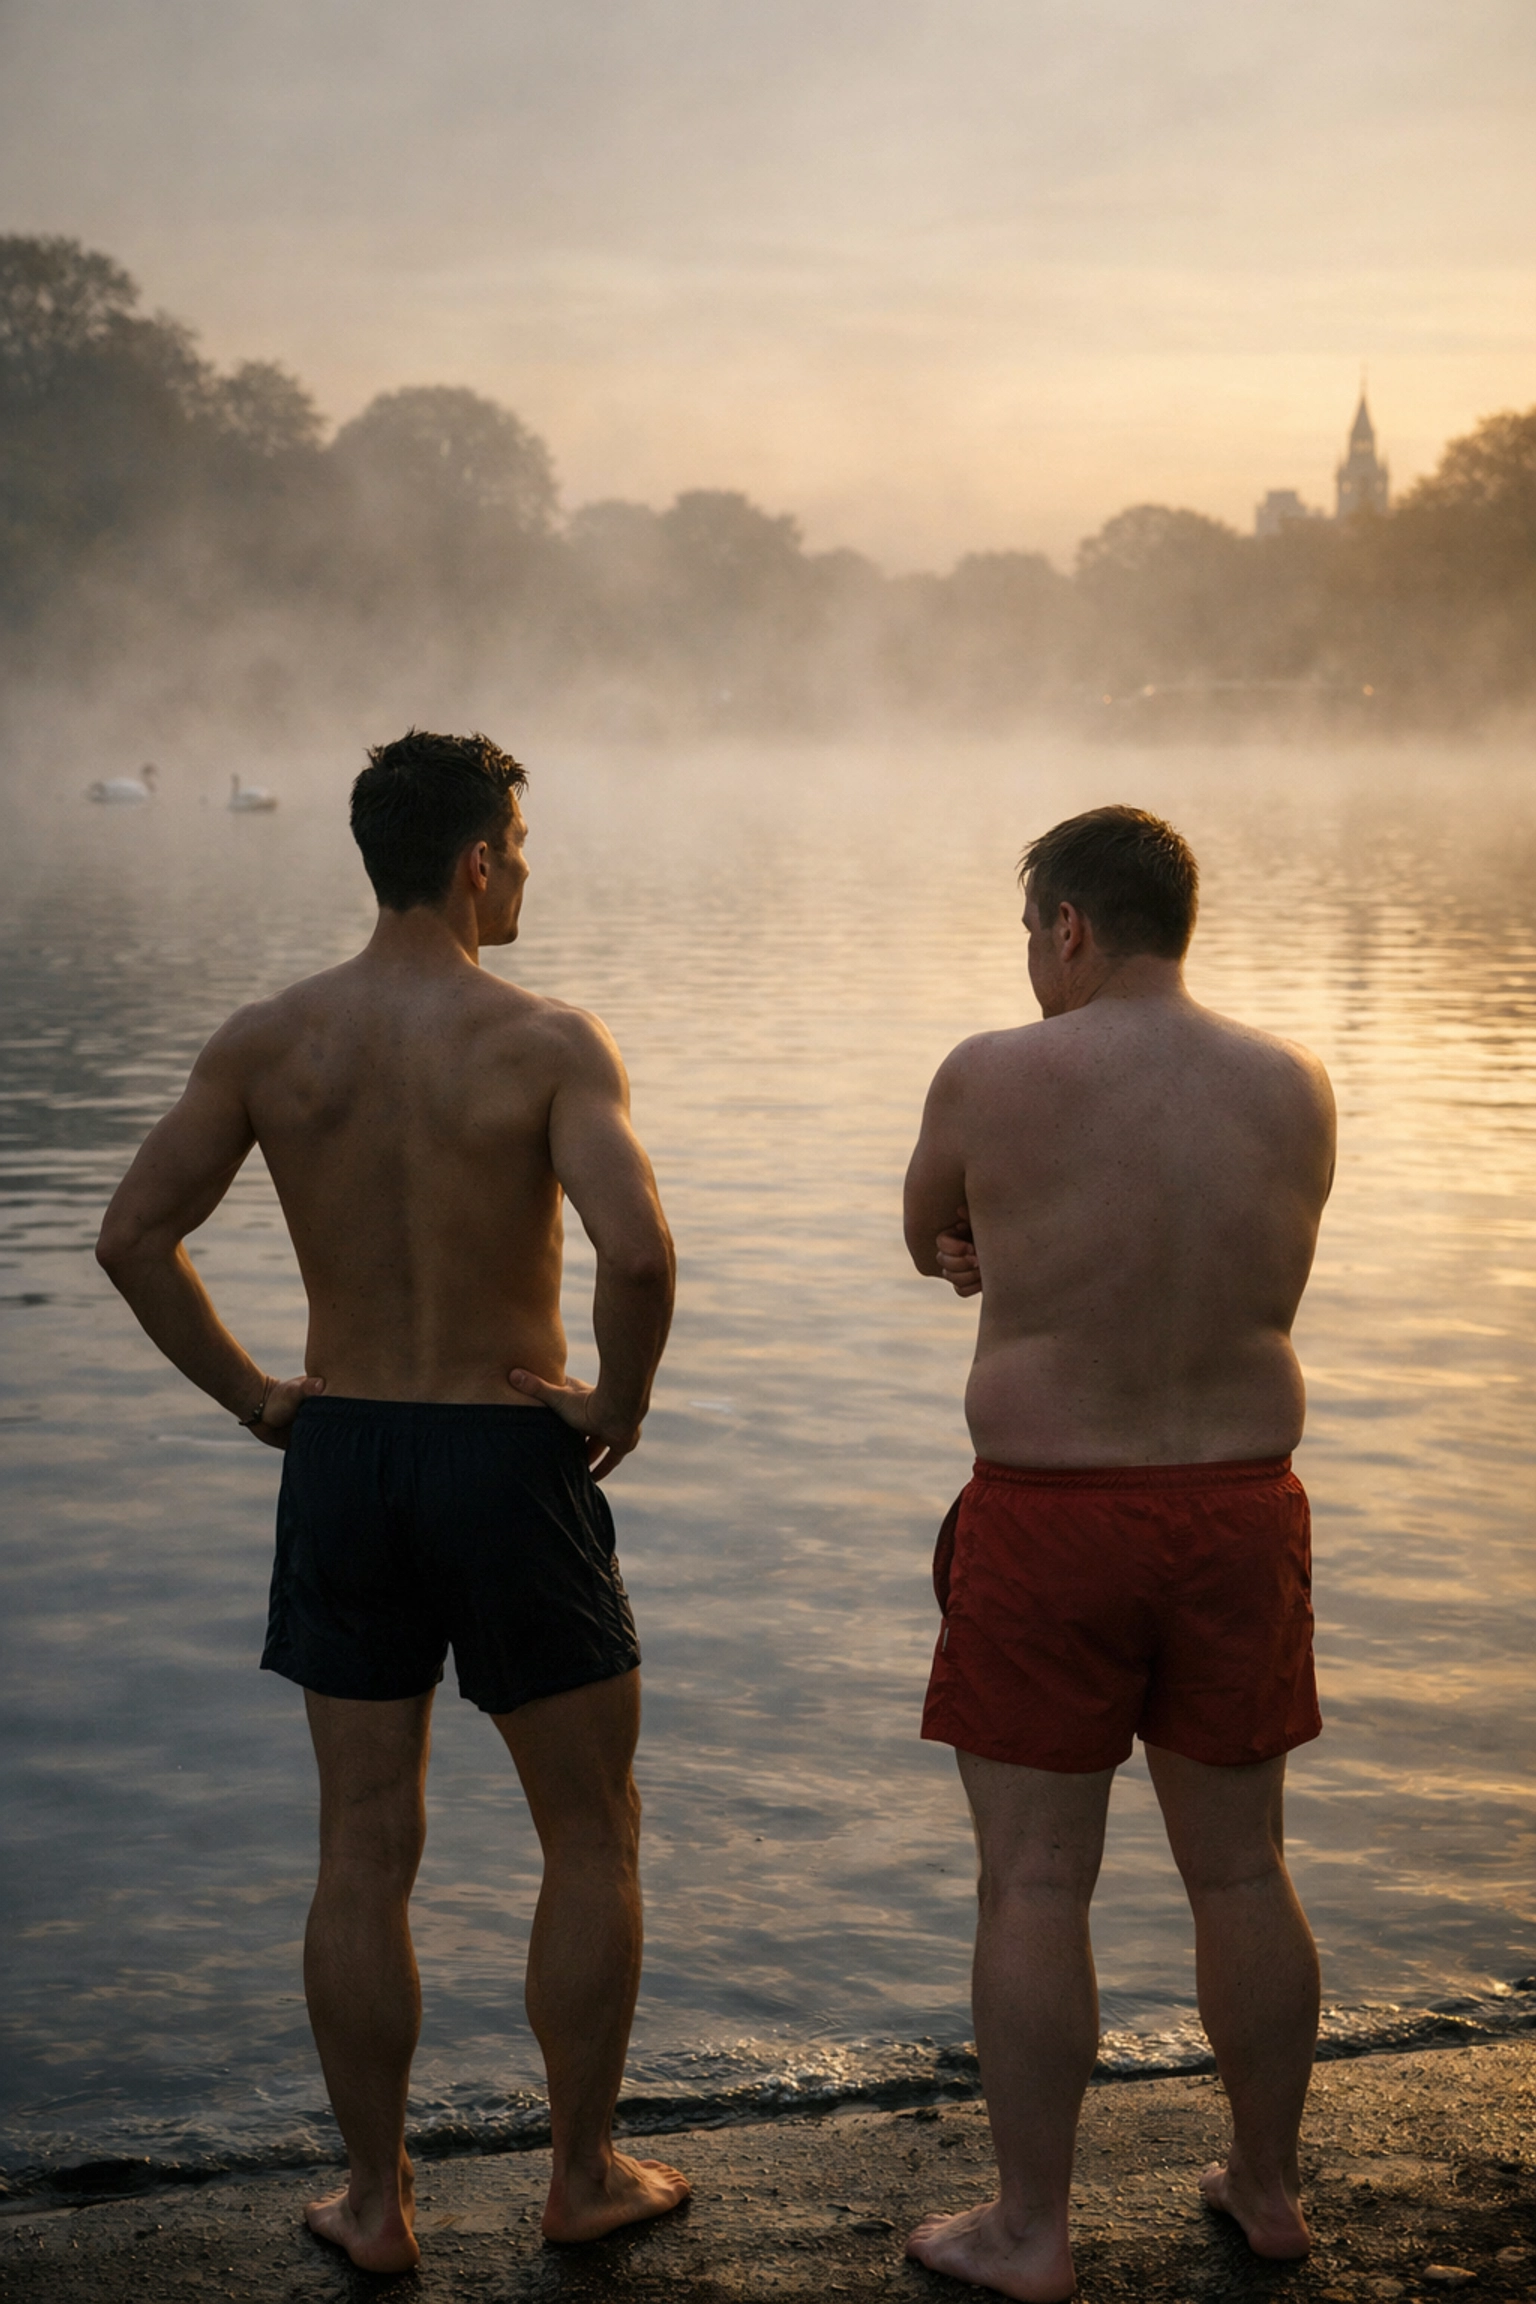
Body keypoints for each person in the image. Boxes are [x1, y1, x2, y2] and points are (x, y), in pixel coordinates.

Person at [96, 730, 688, 2274]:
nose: (530, 868)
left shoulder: (270, 1040)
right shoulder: (549, 1042)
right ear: (478, 857)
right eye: (522, 841)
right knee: (589, 1831)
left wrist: (255, 1398)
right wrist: (615, 1406)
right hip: (506, 1454)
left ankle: (376, 2203)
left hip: (347, 1448)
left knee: (362, 1845)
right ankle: (579, 2175)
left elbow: (132, 1237)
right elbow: (636, 1253)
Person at [901, 805, 1335, 2303]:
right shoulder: (1296, 1085)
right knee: (1243, 1870)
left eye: (1035, 936)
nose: (1030, 965)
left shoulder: (991, 1074)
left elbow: (930, 1234)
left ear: (1070, 926)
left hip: (1049, 1512)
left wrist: (977, 1245)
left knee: (1033, 1882)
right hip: (1239, 1505)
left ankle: (1031, 2230)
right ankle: (1267, 2188)